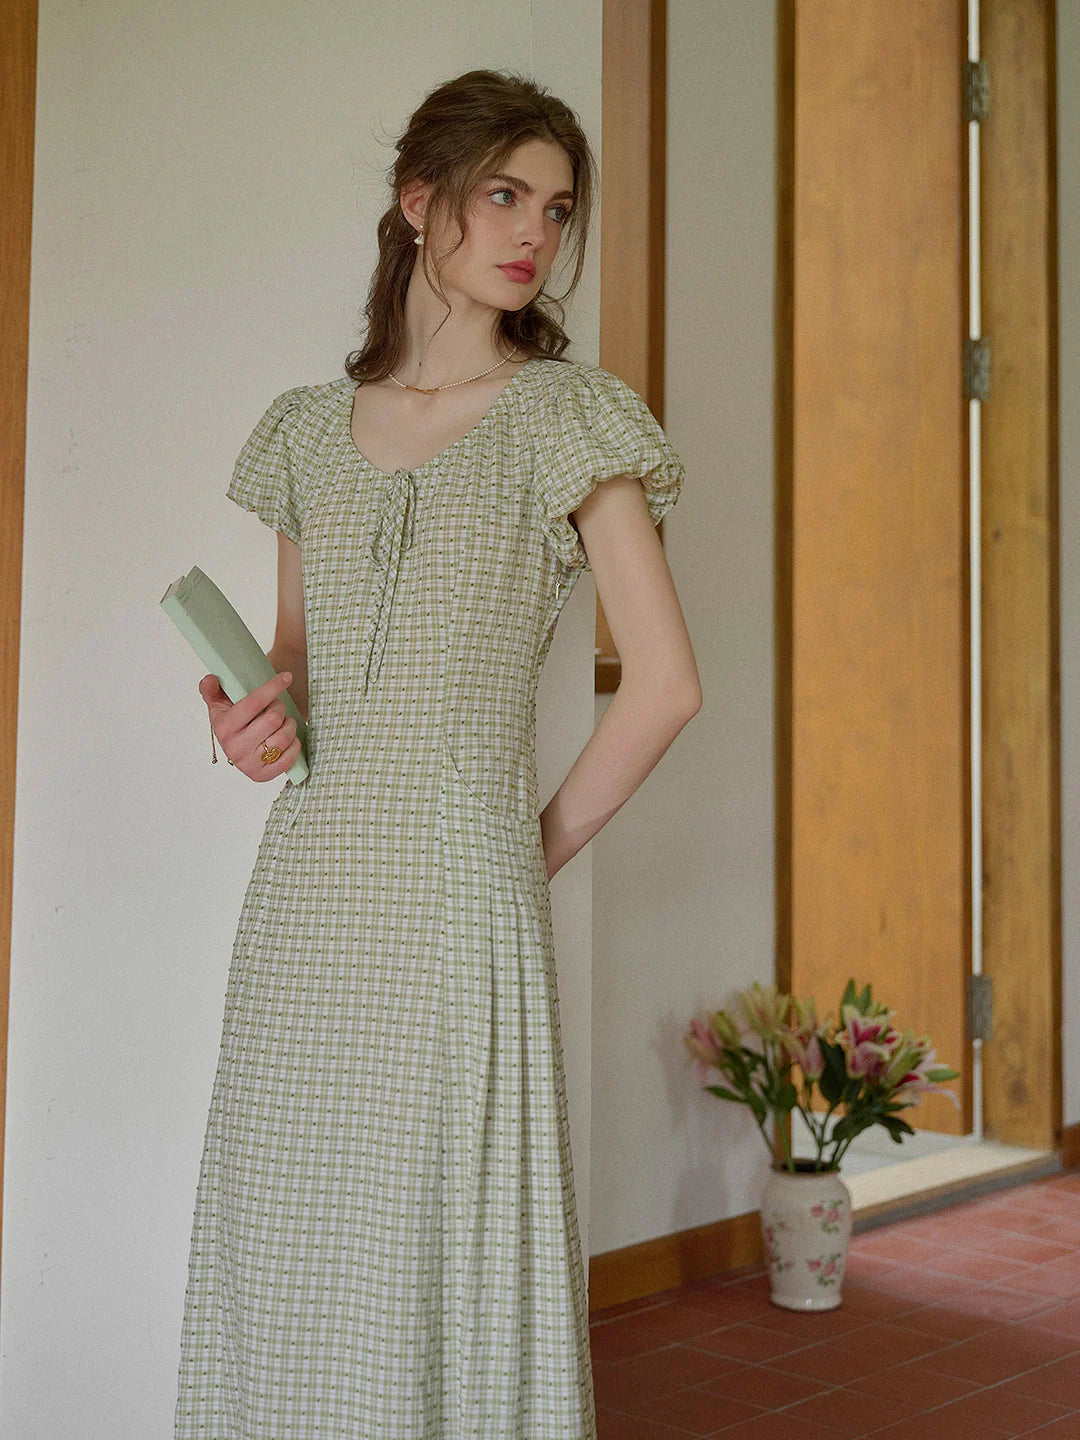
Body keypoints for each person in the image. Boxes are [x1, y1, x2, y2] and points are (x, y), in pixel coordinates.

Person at [176, 67, 701, 1440]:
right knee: (292, 1229)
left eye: (559, 209)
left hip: (460, 895)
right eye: (504, 194)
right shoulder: (305, 429)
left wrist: (524, 850)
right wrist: (244, 721)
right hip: (307, 898)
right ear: (419, 202)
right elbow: (294, 672)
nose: (536, 233)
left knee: (439, 1248)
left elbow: (665, 686)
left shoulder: (568, 417)